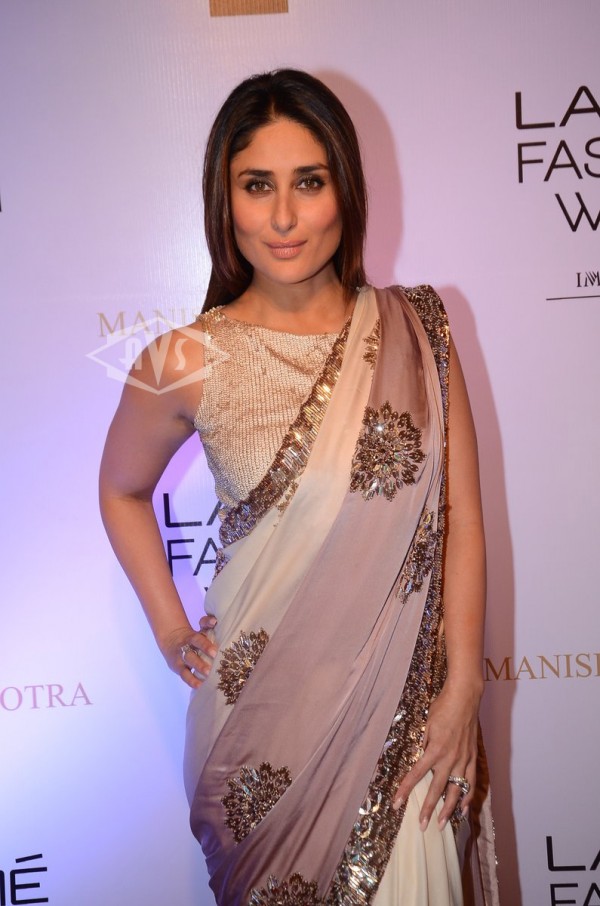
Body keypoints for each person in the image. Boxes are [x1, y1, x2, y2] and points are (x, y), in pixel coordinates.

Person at [99, 69, 499, 905]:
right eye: (257, 186)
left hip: (408, 729)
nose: (283, 217)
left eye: (308, 183)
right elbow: (121, 491)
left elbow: (461, 520)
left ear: (344, 188)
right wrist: (171, 627)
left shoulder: (420, 329)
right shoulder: (185, 360)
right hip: (256, 734)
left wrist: (462, 691)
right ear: (225, 200)